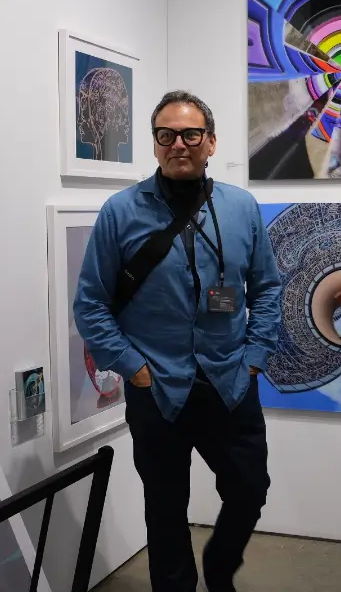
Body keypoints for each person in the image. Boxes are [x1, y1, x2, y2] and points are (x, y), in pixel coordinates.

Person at [72, 90, 282, 592]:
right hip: (156, 387)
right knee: (165, 510)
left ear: (211, 142)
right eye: (167, 135)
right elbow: (90, 304)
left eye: (191, 135)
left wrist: (255, 356)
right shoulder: (120, 212)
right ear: (155, 145)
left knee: (251, 488)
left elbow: (268, 287)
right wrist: (132, 367)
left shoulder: (241, 208)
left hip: (230, 380)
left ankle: (219, 565)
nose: (179, 144)